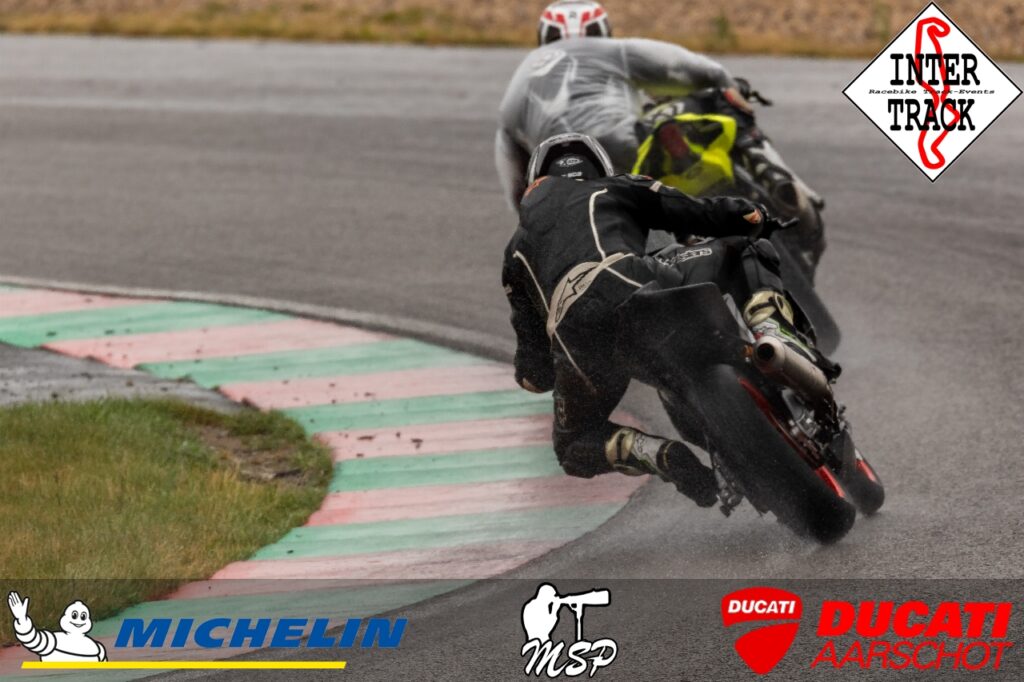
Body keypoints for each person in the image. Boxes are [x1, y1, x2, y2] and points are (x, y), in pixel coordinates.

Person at [501, 133, 828, 506]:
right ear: (598, 168)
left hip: (578, 340)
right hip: (635, 283)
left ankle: (654, 453)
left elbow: (533, 368)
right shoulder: (614, 187)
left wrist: (538, 375)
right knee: (747, 249)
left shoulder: (514, 253)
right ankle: (771, 330)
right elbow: (693, 210)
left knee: (573, 444)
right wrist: (749, 215)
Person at [495, 1, 824, 265]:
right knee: (720, 98)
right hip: (628, 143)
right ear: (602, 30)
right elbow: (693, 67)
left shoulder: (516, 86)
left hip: (572, 187)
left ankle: (682, 244)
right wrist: (729, 85)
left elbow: (517, 191)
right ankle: (777, 178)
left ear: (543, 37)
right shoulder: (610, 50)